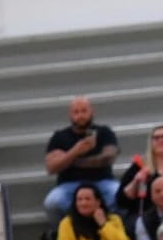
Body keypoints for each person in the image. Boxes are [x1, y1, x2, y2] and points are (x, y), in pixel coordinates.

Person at [44, 95, 120, 223]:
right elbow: (51, 168)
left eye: (84, 111)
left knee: (119, 195)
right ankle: (65, 232)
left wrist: (68, 160)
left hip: (102, 182)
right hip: (69, 185)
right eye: (76, 112)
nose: (80, 116)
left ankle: (112, 229)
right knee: (52, 203)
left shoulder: (104, 132)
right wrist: (76, 151)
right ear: (70, 114)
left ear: (92, 111)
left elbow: (108, 158)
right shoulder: (59, 136)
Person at [116, 124, 163, 240]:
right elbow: (121, 200)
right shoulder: (140, 165)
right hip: (146, 217)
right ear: (150, 142)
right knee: (131, 234)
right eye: (156, 137)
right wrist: (136, 181)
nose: (160, 141)